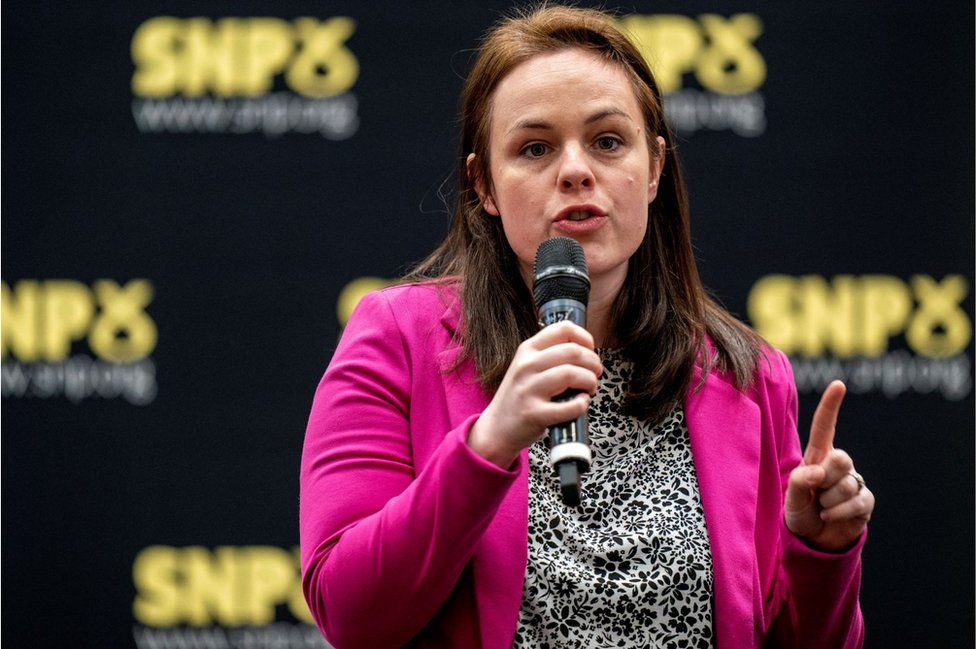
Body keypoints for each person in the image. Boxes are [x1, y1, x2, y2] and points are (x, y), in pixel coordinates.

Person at [300, 5, 875, 648]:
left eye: (607, 141)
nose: (575, 170)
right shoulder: (398, 338)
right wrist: (488, 443)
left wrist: (822, 554)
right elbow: (350, 615)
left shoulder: (746, 372)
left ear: (654, 169)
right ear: (483, 184)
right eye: (535, 148)